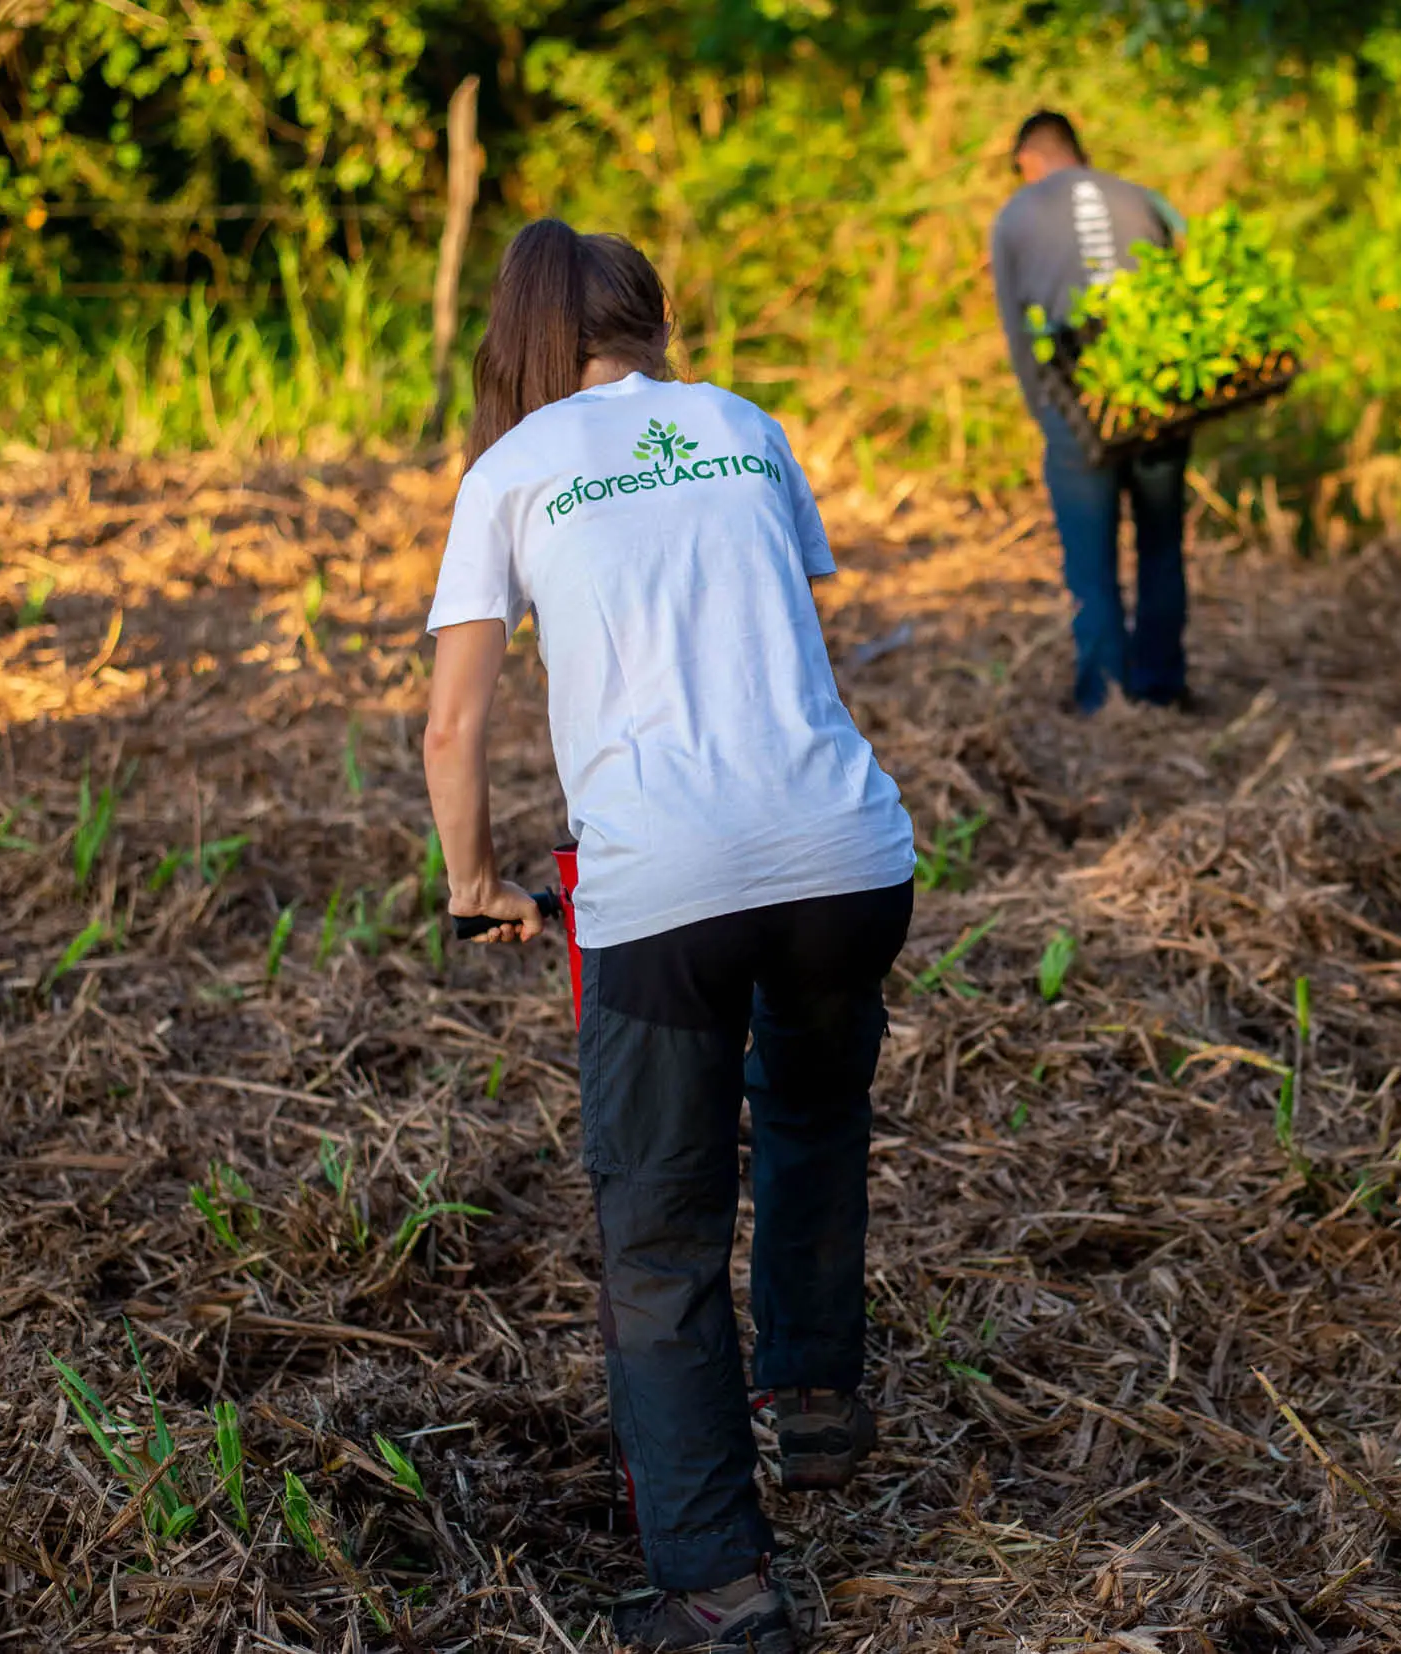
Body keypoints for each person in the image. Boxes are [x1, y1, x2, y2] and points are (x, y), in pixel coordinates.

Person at [421, 219, 917, 1651]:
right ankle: (814, 1399)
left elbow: (454, 720)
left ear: (519, 332)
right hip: (844, 851)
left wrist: (477, 880)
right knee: (813, 1118)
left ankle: (713, 1583)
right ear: (648, 318)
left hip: (662, 886)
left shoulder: (510, 467)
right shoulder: (745, 427)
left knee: (659, 1236)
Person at [990, 109, 1195, 714]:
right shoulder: (1142, 198)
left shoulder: (1016, 215)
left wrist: (1046, 415)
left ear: (1030, 158)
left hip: (1076, 402)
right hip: (1157, 397)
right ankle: (1161, 688)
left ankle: (1105, 697)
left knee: (1091, 559)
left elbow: (1016, 334)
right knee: (1160, 546)